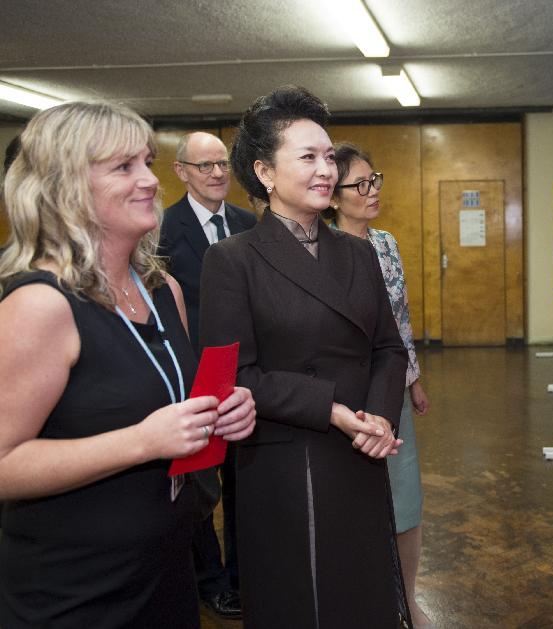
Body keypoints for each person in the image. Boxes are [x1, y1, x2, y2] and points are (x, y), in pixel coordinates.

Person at [0, 101, 256, 628]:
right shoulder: (39, 304)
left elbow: (167, 404)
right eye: (123, 167)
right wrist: (141, 441)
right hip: (75, 592)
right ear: (63, 186)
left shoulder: (164, 291)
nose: (149, 181)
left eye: (145, 161)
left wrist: (222, 413)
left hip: (166, 570)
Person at [199, 85, 411, 628]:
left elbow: (388, 347)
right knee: (305, 601)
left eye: (329, 158)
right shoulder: (232, 260)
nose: (327, 171)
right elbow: (237, 376)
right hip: (287, 458)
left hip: (361, 448)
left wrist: (380, 416)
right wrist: (335, 411)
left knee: (362, 596)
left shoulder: (358, 253)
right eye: (308, 157)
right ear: (265, 173)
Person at [328, 142, 432, 628]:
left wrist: (413, 380)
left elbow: (401, 321)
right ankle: (363, 599)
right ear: (333, 196)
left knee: (405, 499)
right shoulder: (321, 252)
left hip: (392, 390)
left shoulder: (387, 243)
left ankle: (407, 598)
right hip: (345, 400)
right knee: (353, 504)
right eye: (360, 185)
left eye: (376, 181)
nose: (372, 192)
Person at [159, 131, 256, 618]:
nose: (218, 174)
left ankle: (240, 579)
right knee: (198, 491)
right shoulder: (161, 228)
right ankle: (210, 580)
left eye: (223, 164)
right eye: (205, 166)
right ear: (181, 172)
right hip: (189, 382)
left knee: (242, 483)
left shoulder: (246, 223)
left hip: (240, 378)